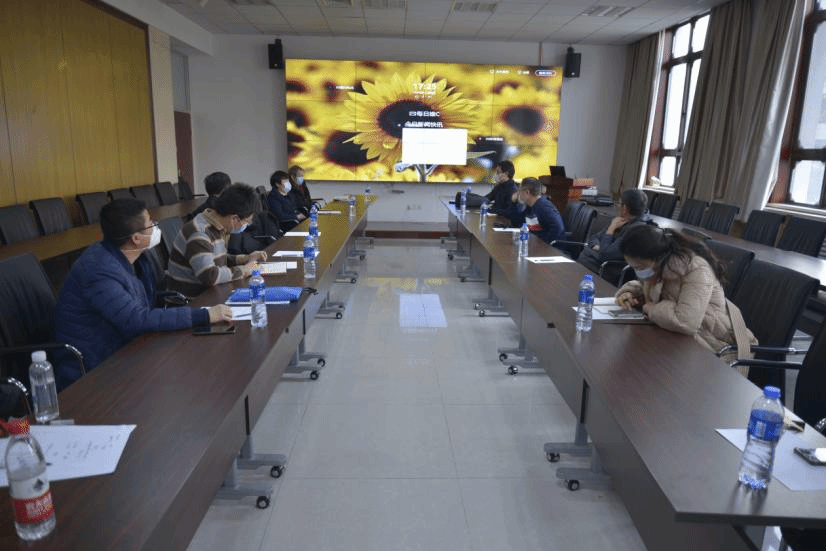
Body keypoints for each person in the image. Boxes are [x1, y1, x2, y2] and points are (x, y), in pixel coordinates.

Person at [53, 198, 232, 389]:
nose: (155, 226)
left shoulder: (132, 256)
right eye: (150, 223)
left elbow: (143, 306)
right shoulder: (98, 271)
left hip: (123, 345)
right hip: (94, 363)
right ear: (136, 238)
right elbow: (135, 319)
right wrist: (204, 315)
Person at [614, 224, 757, 355]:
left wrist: (651, 308)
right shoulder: (661, 267)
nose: (638, 272)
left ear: (658, 258)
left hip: (720, 348)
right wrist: (632, 294)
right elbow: (655, 290)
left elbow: (685, 322)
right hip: (684, 341)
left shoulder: (697, 269)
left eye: (640, 267)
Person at [166, 183, 267, 296]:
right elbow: (210, 276)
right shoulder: (199, 233)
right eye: (247, 221)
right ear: (234, 219)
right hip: (193, 298)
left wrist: (246, 258)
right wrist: (245, 270)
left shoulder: (216, 225)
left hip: (211, 291)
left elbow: (218, 259)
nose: (246, 225)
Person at [577, 188, 655, 284]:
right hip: (591, 265)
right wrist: (596, 246)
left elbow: (605, 255)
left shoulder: (636, 231)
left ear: (625, 208)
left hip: (603, 273)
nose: (616, 206)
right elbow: (594, 237)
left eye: (618, 203)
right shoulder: (619, 220)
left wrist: (610, 230)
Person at [505, 177, 565, 244]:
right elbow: (517, 223)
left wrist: (540, 241)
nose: (517, 194)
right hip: (533, 244)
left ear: (527, 193)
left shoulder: (544, 207)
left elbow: (558, 228)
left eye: (519, 190)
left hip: (549, 247)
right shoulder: (529, 206)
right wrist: (513, 203)